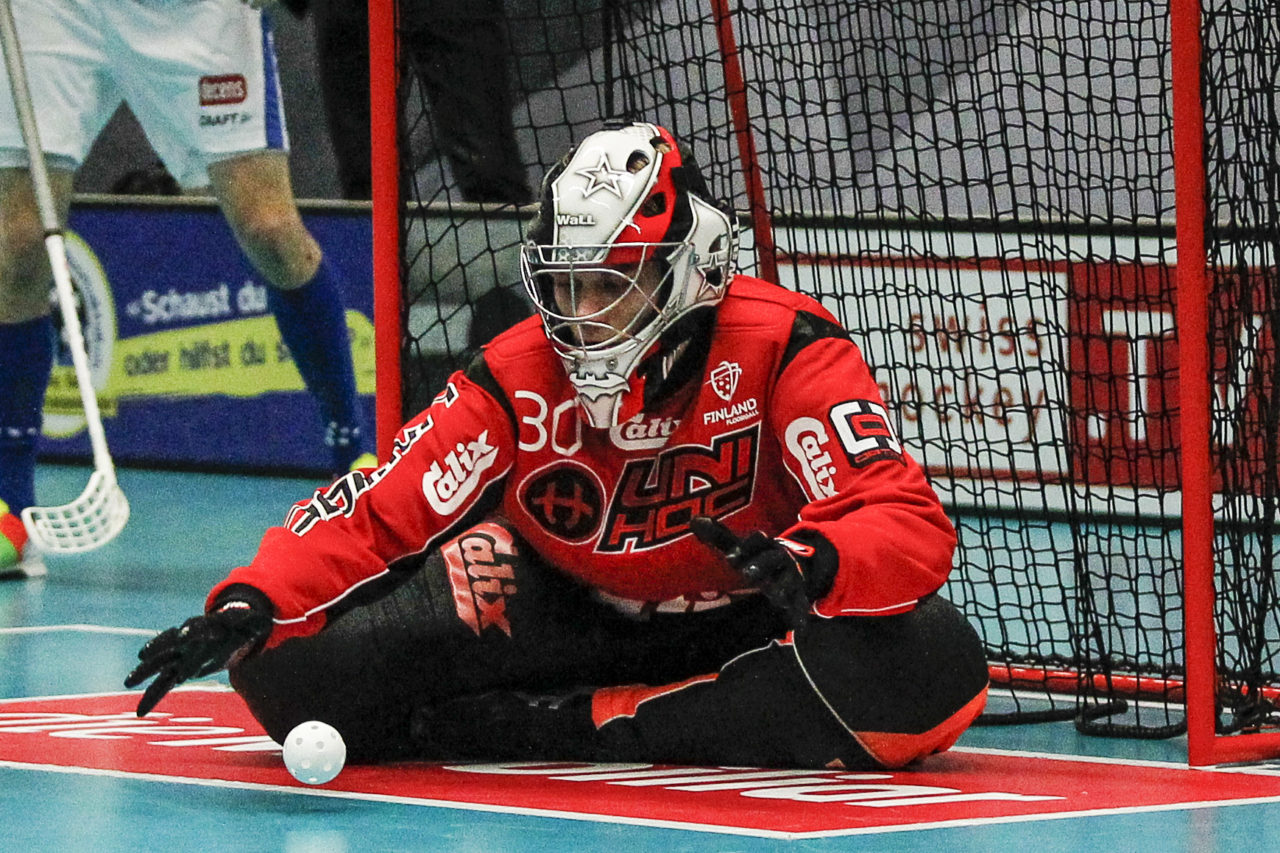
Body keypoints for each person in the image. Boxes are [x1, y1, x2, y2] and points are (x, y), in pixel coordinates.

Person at [124, 122, 989, 770]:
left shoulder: (785, 346)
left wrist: (821, 559)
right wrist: (252, 598)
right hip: (559, 605)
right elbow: (381, 507)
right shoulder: (515, 374)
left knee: (935, 671)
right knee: (284, 678)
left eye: (607, 285)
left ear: (685, 271)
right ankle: (659, 719)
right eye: (564, 285)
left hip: (748, 621)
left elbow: (899, 513)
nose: (580, 314)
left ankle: (551, 725)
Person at [0, 0, 373, 576]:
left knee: (270, 228)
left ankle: (353, 460)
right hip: (54, 8)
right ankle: (11, 506)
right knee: (19, 240)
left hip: (196, 10)